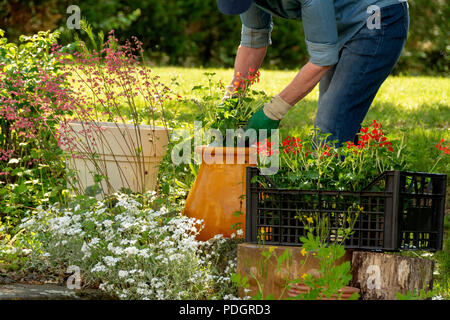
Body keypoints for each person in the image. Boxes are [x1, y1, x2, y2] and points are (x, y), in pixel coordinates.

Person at [217, 0, 409, 145]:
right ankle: (360, 188)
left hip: (377, 19)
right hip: (340, 28)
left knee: (330, 126)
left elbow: (322, 59)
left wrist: (273, 111)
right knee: (337, 125)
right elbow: (253, 40)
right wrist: (232, 99)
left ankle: (332, 195)